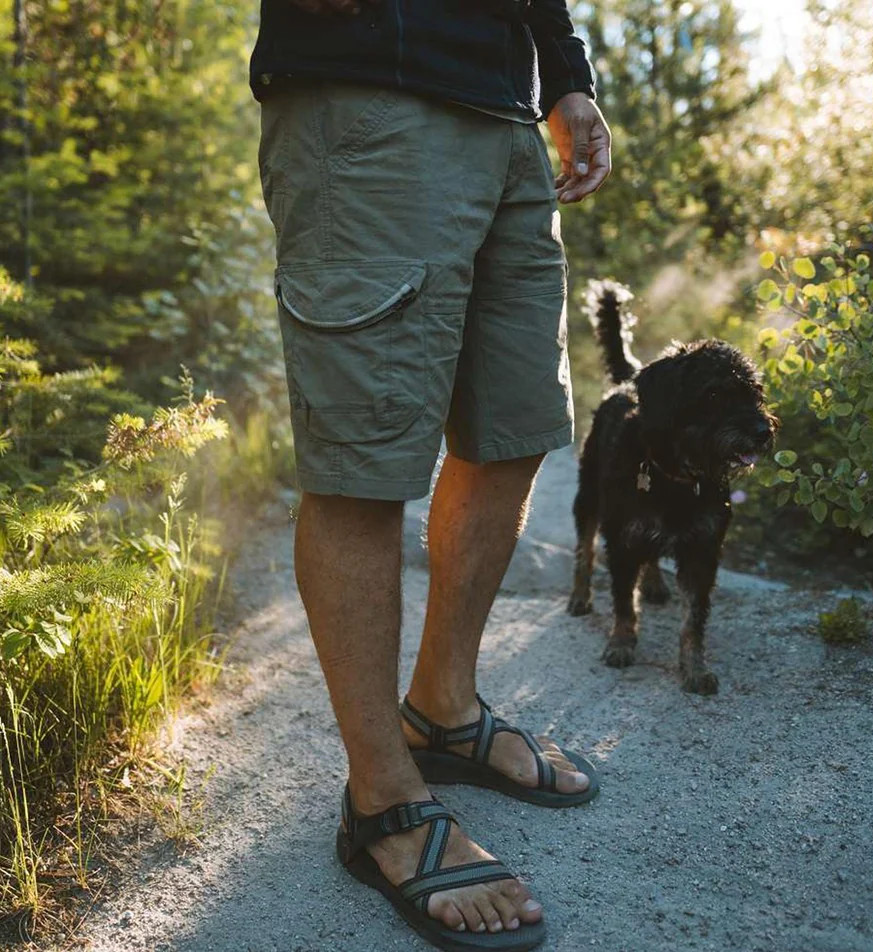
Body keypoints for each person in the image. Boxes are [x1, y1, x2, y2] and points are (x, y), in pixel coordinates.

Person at [250, 1, 611, 948]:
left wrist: (565, 75)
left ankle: (442, 711)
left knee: (514, 424)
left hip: (505, 113)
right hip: (369, 105)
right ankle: (381, 803)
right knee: (362, 463)